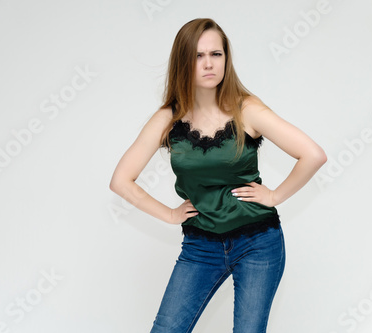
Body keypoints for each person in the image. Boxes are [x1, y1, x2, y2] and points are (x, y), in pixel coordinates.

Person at [110, 18, 327, 333]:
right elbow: (121, 180)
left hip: (258, 242)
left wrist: (275, 196)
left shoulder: (247, 110)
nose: (209, 63)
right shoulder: (167, 119)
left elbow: (313, 154)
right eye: (199, 56)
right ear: (184, 62)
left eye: (216, 54)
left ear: (227, 59)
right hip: (201, 246)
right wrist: (171, 214)